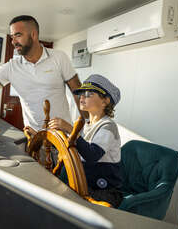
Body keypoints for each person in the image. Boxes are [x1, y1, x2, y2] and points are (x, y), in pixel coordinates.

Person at [48, 74, 123, 208]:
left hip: (104, 191)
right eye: (81, 93)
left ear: (105, 101)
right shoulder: (86, 125)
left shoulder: (108, 126)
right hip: (84, 184)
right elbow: (77, 148)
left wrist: (71, 129)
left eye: (88, 94)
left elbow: (92, 155)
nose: (82, 97)